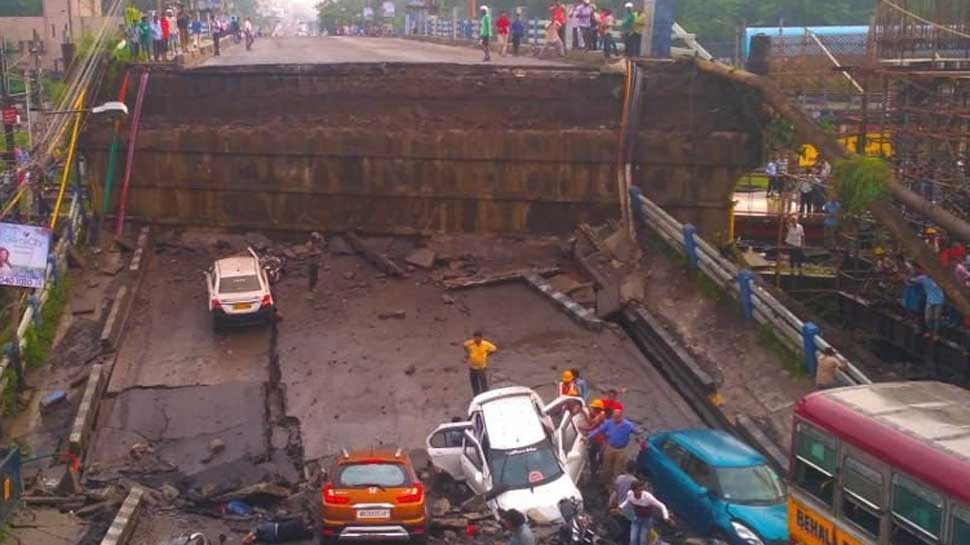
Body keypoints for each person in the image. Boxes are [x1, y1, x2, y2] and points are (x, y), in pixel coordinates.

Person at [588, 408, 635, 486]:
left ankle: (614, 486)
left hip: (621, 449)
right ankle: (604, 484)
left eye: (617, 418)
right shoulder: (608, 423)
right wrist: (589, 436)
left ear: (621, 417)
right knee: (606, 466)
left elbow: (635, 431)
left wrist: (638, 432)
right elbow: (599, 430)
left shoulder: (628, 425)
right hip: (610, 447)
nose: (615, 420)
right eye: (614, 417)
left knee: (618, 468)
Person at [620, 481, 670, 545]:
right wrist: (620, 507)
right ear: (633, 490)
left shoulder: (648, 497)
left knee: (642, 540)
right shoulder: (630, 494)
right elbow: (627, 501)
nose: (639, 492)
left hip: (646, 520)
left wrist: (666, 516)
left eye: (640, 490)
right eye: (637, 490)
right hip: (636, 518)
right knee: (633, 539)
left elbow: (661, 505)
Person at [464, 330, 497, 396]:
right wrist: (469, 353)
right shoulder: (470, 343)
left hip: (481, 367)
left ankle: (485, 396)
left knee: (483, 383)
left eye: (478, 338)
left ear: (481, 338)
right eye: (475, 338)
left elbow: (494, 349)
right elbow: (465, 346)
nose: (476, 339)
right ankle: (476, 396)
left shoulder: (486, 344)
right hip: (472, 367)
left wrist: (487, 355)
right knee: (474, 382)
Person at [915, 270, 944, 340]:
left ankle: (936, 334)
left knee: (937, 318)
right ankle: (930, 331)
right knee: (927, 318)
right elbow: (913, 280)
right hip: (929, 301)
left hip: (939, 301)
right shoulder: (923, 278)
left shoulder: (938, 279)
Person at [584, 398, 606, 476]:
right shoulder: (600, 415)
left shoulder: (599, 417)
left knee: (593, 455)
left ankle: (595, 471)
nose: (591, 409)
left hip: (597, 440)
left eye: (593, 408)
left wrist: (579, 427)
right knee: (599, 455)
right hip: (600, 440)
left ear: (596, 409)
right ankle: (598, 468)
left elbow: (591, 426)